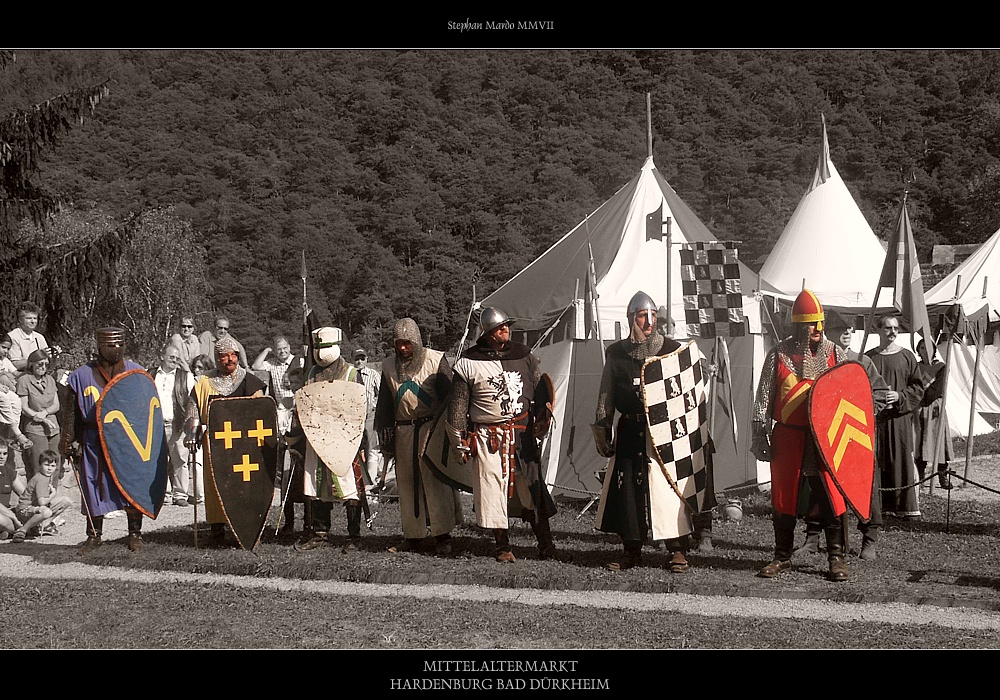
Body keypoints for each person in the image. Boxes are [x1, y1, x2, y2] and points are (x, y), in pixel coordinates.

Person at [592, 291, 714, 573]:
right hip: (631, 428)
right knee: (628, 492)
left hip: (666, 430)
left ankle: (677, 549)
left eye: (652, 316)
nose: (649, 322)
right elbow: (606, 394)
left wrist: (706, 371)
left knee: (668, 488)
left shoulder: (672, 349)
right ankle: (632, 550)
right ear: (631, 319)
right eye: (642, 316)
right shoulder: (617, 354)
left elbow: (693, 383)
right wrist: (603, 425)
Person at [752, 290, 852, 582]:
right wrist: (760, 435)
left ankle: (836, 557)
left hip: (824, 439)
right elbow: (763, 399)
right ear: (797, 326)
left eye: (819, 322)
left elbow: (847, 398)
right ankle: (782, 556)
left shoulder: (835, 354)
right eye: (810, 323)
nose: (817, 329)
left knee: (830, 496)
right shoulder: (779, 355)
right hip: (788, 436)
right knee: (783, 498)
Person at [446, 307, 556, 563]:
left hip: (521, 434)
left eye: (507, 325)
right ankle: (502, 545)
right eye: (500, 327)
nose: (506, 329)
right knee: (492, 490)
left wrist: (543, 415)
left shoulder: (524, 355)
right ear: (487, 332)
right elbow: (458, 406)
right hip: (489, 436)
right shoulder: (469, 362)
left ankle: (546, 543)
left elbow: (540, 388)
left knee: (533, 488)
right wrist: (459, 439)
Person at [794, 311, 890, 561]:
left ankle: (870, 539)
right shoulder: (817, 361)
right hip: (824, 437)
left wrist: (864, 417)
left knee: (865, 486)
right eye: (841, 328)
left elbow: (878, 394)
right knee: (819, 487)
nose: (847, 332)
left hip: (856, 437)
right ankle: (813, 537)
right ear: (828, 331)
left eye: (851, 329)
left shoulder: (862, 362)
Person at [60, 327, 149, 553]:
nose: (116, 349)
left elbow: (145, 411)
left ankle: (135, 533)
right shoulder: (81, 376)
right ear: (99, 346)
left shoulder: (135, 373)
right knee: (92, 486)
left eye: (120, 344)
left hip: (127, 439)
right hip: (93, 439)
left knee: (130, 484)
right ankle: (94, 535)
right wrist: (68, 439)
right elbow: (72, 413)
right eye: (111, 345)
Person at [375, 318, 457, 555]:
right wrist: (386, 435)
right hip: (404, 432)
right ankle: (413, 536)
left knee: (435, 483)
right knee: (408, 485)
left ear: (417, 341)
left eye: (407, 343)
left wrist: (447, 429)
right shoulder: (389, 365)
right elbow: (385, 405)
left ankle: (443, 535)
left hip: (431, 429)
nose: (403, 348)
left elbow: (450, 396)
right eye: (399, 343)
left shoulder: (434, 360)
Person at [184, 336, 267, 545]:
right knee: (215, 487)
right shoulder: (205, 382)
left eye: (233, 355)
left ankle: (246, 530)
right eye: (224, 356)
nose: (229, 359)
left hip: (244, 448)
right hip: (216, 446)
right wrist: (192, 432)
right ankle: (217, 531)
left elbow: (260, 412)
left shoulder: (250, 381)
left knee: (244, 487)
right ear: (217, 357)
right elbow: (193, 408)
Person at [295, 326, 368, 553]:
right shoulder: (310, 374)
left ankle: (354, 536)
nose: (321, 351)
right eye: (319, 346)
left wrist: (361, 443)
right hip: (317, 439)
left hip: (345, 440)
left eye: (325, 346)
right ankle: (320, 533)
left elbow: (359, 410)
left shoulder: (350, 374)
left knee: (350, 488)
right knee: (317, 487)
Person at [865, 314, 929, 520]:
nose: (892, 332)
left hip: (899, 418)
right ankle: (878, 506)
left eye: (895, 328)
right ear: (878, 330)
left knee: (900, 458)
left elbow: (918, 387)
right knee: (876, 459)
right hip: (875, 419)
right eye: (888, 328)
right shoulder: (868, 358)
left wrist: (900, 396)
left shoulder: (907, 357)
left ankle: (904, 506)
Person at [152, 343, 195, 506]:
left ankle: (181, 495)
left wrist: (190, 424)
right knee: (160, 460)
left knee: (180, 460)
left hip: (178, 424)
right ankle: (165, 493)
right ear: (162, 356)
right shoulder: (150, 374)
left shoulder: (186, 376)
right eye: (171, 357)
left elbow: (193, 401)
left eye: (177, 358)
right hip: (156, 425)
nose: (174, 360)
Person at [913, 338, 953, 491]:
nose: (925, 350)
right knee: (918, 443)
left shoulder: (941, 367)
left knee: (939, 443)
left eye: (928, 348)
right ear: (919, 350)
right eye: (922, 348)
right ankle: (920, 478)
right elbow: (912, 384)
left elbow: (938, 388)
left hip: (934, 408)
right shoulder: (915, 367)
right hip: (918, 409)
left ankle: (942, 476)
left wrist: (924, 400)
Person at [17, 349, 60, 484]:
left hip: (53, 428)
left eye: (46, 364)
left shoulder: (50, 380)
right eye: (40, 364)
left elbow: (56, 405)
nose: (43, 367)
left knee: (55, 465)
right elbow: (24, 407)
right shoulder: (24, 380)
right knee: (39, 465)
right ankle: (38, 500)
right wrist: (38, 417)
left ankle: (51, 497)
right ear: (31, 364)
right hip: (35, 428)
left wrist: (45, 413)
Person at [12, 449, 70, 542]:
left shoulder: (47, 476)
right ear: (40, 465)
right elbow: (42, 502)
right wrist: (53, 494)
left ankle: (42, 525)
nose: (49, 468)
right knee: (46, 512)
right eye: (46, 465)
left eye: (53, 466)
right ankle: (23, 530)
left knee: (66, 501)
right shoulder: (41, 478)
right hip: (25, 509)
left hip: (35, 507)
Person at [354, 347, 383, 487]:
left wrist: (373, 406)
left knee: (371, 447)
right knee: (357, 447)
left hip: (370, 414)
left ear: (366, 359)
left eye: (362, 358)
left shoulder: (373, 374)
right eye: (356, 359)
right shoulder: (351, 375)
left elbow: (381, 393)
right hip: (354, 416)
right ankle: (360, 477)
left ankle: (371, 480)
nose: (359, 361)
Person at [6, 302, 55, 373]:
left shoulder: (39, 337)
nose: (33, 321)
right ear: (20, 320)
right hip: (22, 375)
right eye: (29, 318)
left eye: (35, 318)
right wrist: (38, 358)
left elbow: (47, 361)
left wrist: (53, 355)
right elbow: (15, 364)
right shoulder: (13, 337)